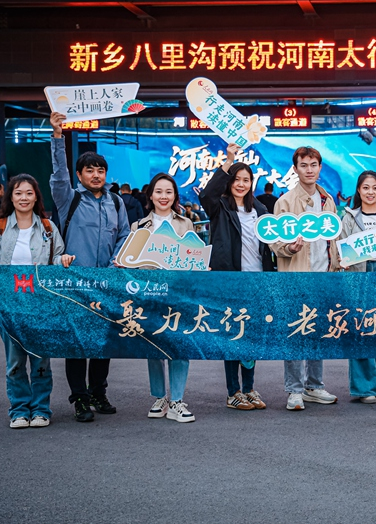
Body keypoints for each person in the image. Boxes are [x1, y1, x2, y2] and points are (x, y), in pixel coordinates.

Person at [0, 174, 75, 428]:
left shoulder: (48, 228)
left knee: (41, 359)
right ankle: (19, 410)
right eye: (18, 193)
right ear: (10, 197)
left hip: (41, 305)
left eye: (29, 193)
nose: (24, 198)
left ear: (36, 197)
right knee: (15, 360)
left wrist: (62, 260)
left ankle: (41, 409)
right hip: (9, 305)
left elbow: (56, 257)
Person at [49, 111, 130, 423]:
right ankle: (80, 399)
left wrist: (115, 263)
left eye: (101, 170)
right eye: (90, 170)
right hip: (74, 283)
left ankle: (98, 391)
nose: (96, 175)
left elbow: (124, 235)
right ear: (80, 175)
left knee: (103, 341)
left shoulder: (116, 202)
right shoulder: (68, 198)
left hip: (106, 282)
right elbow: (59, 174)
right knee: (76, 342)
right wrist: (58, 137)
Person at [200, 142, 274, 412]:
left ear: (252, 183)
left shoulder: (260, 211)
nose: (241, 184)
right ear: (229, 182)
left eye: (246, 180)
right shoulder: (219, 207)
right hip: (231, 281)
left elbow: (270, 243)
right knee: (232, 334)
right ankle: (233, 392)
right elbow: (207, 193)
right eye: (236, 179)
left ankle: (249, 388)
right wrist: (229, 160)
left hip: (257, 281)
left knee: (251, 336)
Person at [270, 146, 340, 411]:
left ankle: (314, 386)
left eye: (313, 165)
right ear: (295, 169)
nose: (309, 170)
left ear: (319, 168)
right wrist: (289, 248)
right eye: (304, 165)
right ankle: (294, 390)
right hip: (296, 277)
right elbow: (274, 242)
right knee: (296, 332)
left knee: (318, 331)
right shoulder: (285, 202)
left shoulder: (327, 200)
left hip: (323, 277)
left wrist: (337, 264)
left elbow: (333, 240)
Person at [131, 173, 197, 423]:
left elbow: (193, 257)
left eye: (168, 192)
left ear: (175, 196)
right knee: (154, 346)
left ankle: (177, 400)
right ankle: (159, 397)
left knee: (180, 345)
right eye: (158, 191)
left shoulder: (186, 224)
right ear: (150, 195)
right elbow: (133, 264)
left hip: (179, 294)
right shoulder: (138, 227)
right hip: (150, 295)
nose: (163, 196)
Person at [333, 171, 376, 404]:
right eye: (366, 188)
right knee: (361, 329)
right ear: (358, 191)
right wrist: (341, 262)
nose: (370, 192)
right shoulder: (349, 217)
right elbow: (341, 248)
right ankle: (364, 388)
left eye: (375, 188)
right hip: (358, 276)